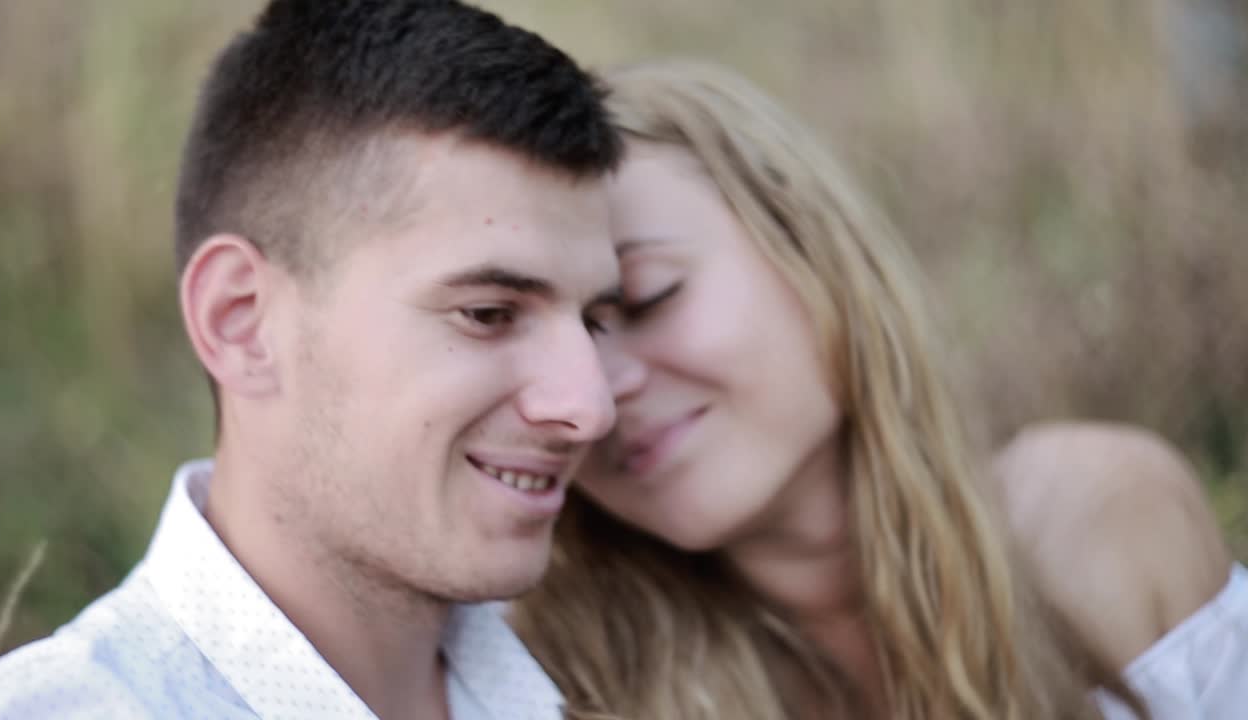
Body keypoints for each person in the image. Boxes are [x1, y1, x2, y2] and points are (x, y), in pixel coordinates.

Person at [511, 60, 1246, 720]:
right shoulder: (565, 685)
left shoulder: (1098, 520)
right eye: (548, 350)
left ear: (808, 243)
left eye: (647, 297)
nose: (597, 394)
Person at [0, 1, 625, 718]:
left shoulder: (603, 670)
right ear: (241, 322)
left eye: (593, 321)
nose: (590, 407)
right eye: (488, 314)